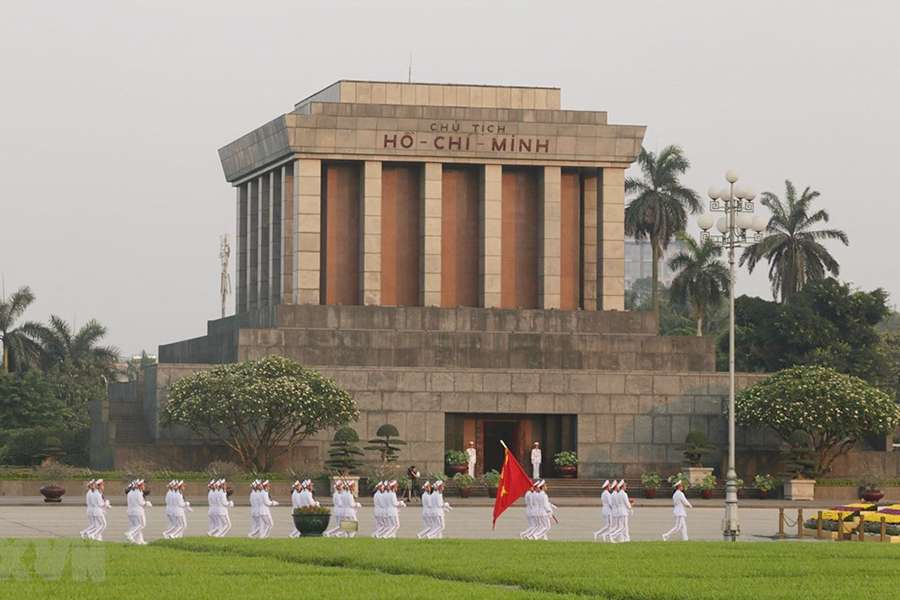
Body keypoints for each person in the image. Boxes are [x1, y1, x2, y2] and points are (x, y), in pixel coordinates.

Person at [125, 479, 151, 545]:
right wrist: (147, 503)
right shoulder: (138, 493)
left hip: (130, 512)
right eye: (143, 485)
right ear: (139, 486)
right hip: (138, 512)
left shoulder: (130, 493)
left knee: (136, 526)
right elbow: (141, 503)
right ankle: (130, 534)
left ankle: (140, 541)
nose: (144, 486)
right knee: (142, 525)